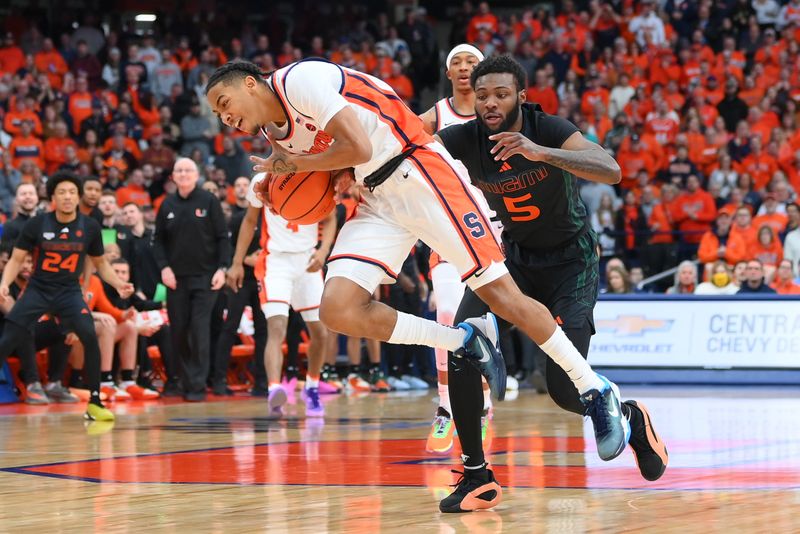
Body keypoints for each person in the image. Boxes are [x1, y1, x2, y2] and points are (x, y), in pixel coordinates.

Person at [206, 59, 629, 512]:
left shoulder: (299, 80)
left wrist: (294, 164)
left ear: (251, 84)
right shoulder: (274, 134)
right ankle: (463, 341)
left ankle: (595, 390)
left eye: (225, 103)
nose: (225, 117)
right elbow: (336, 171)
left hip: (420, 173)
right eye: (217, 114)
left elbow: (357, 142)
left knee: (503, 297)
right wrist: (293, 188)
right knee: (338, 308)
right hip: (374, 197)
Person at [434, 55, 667, 512]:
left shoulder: (550, 128)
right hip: (513, 261)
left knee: (561, 388)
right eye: (482, 96)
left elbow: (610, 168)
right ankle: (477, 476)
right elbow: (408, 148)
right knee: (461, 348)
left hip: (571, 263)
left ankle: (629, 416)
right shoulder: (463, 138)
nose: (490, 103)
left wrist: (540, 153)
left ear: (521, 96)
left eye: (501, 94)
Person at [0, 172, 133, 421]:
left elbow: (101, 264)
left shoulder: (90, 226)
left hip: (69, 291)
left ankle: (94, 403)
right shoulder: (37, 224)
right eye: (61, 192)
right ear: (52, 197)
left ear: (78, 196)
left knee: (89, 337)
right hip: (38, 289)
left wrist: (118, 284)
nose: (67, 197)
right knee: (9, 337)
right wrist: (4, 284)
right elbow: (16, 259)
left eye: (72, 192)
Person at [417, 44, 493, 454]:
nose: (464, 68)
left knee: (478, 324)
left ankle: (480, 406)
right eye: (457, 63)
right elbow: (397, 142)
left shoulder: (497, 112)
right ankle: (446, 407)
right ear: (448, 74)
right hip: (447, 227)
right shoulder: (435, 116)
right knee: (446, 313)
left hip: (495, 230)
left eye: (472, 62)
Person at [228, 173, 336, 417]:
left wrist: (323, 251)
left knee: (320, 331)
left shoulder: (316, 176)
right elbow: (249, 221)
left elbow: (330, 219)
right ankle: (274, 389)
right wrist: (236, 262)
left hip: (308, 260)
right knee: (276, 326)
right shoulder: (262, 180)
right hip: (275, 262)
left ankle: (311, 386)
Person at [153, 158, 230, 401]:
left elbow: (223, 238)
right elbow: (158, 242)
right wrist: (164, 269)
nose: (184, 174)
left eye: (188, 170)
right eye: (179, 170)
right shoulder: (166, 204)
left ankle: (197, 386)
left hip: (206, 279)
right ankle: (183, 380)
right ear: (173, 177)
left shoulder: (208, 200)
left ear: (196, 175)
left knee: (199, 330)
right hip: (176, 280)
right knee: (179, 331)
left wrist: (222, 269)